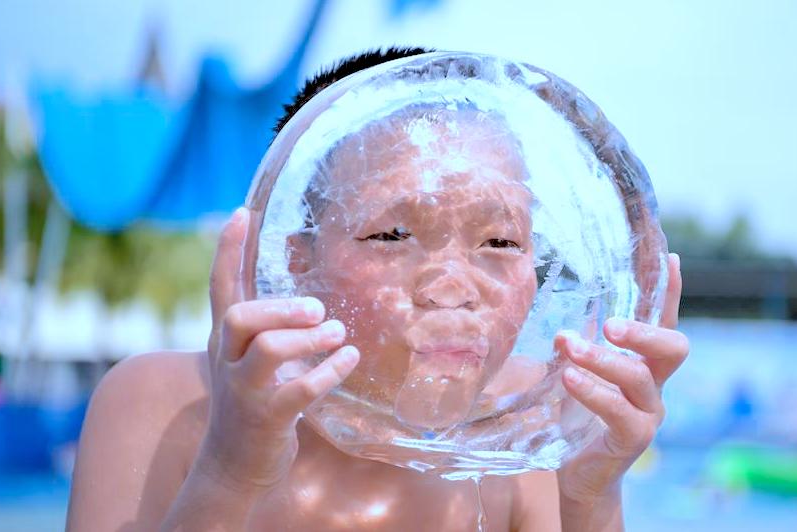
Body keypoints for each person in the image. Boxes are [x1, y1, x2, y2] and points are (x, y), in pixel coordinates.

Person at [66, 48, 690, 532]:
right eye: (392, 234)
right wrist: (230, 466)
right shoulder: (166, 405)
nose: (453, 286)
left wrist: (590, 498)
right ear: (294, 262)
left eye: (500, 243)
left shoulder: (526, 438)